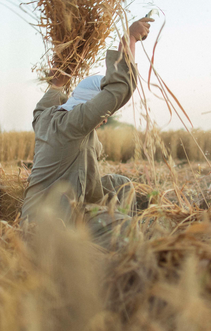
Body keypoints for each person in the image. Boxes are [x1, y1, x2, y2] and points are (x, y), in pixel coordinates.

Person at [20, 18, 153, 244]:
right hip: (53, 223)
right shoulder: (74, 123)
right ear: (89, 105)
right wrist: (128, 38)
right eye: (102, 113)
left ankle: (109, 228)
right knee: (127, 230)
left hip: (38, 211)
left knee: (121, 185)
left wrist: (57, 82)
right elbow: (120, 87)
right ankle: (116, 245)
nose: (104, 118)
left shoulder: (45, 118)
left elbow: (43, 104)